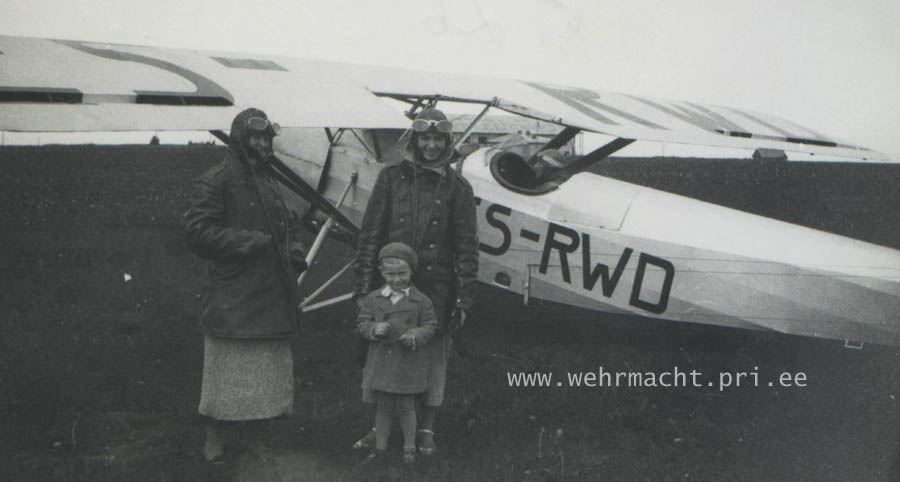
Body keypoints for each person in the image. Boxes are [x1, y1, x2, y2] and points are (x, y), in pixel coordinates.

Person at [353, 108, 479, 456]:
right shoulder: (390, 178)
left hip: (436, 287)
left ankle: (426, 428)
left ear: (447, 141)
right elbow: (369, 235)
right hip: (390, 285)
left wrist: (464, 298)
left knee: (432, 360)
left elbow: (467, 247)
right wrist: (363, 287)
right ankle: (378, 427)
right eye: (425, 138)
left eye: (438, 139)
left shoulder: (458, 187)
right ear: (414, 140)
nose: (431, 145)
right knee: (384, 355)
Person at [183, 108, 307, 461]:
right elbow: (197, 231)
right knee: (225, 368)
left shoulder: (269, 179)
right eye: (255, 138)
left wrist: (295, 251)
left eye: (267, 138)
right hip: (235, 292)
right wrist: (247, 242)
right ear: (240, 138)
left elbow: (289, 222)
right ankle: (214, 437)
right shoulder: (216, 179)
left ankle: (255, 435)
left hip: (273, 290)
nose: (263, 144)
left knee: (264, 370)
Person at [357, 242, 438, 465]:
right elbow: (362, 322)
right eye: (390, 274)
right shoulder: (374, 298)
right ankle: (380, 447)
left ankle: (409, 447)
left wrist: (415, 335)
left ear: (412, 271)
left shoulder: (421, 300)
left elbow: (430, 326)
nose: (396, 279)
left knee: (406, 407)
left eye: (402, 273)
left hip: (407, 363)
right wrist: (373, 328)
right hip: (382, 363)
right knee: (383, 408)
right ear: (381, 272)